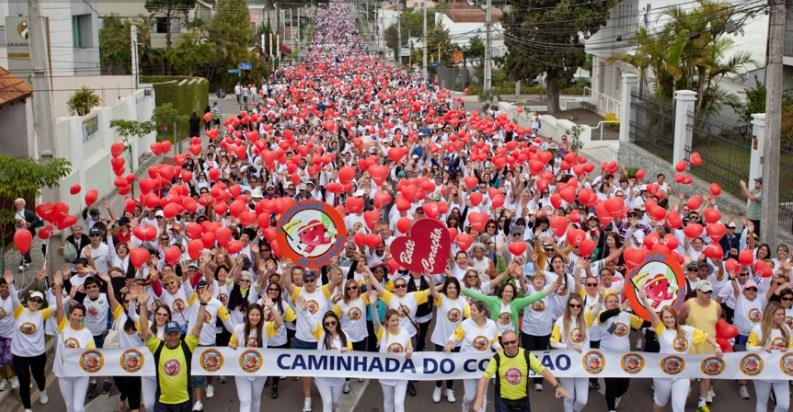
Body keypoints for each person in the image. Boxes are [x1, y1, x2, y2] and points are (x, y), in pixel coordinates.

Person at [639, 290, 722, 412]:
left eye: (671, 316)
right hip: (663, 375)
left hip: (682, 375)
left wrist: (716, 346)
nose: (669, 320)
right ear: (662, 319)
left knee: (678, 407)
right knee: (660, 403)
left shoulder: (688, 330)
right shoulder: (661, 330)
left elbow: (705, 336)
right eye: (666, 317)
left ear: (676, 317)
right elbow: (652, 314)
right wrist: (644, 299)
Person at [138, 279, 211, 412]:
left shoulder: (186, 346)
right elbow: (144, 330)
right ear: (164, 335)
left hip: (185, 401)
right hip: (163, 402)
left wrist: (203, 304)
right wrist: (142, 305)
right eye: (169, 334)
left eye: (175, 334)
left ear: (179, 334)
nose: (172, 337)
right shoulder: (158, 347)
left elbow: (198, 325)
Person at [472, 330, 568, 412]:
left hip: (523, 400)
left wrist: (556, 386)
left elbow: (543, 371)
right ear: (502, 343)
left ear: (517, 340)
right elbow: (485, 378)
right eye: (506, 343)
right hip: (503, 402)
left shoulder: (526, 355)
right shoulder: (497, 358)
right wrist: (479, 398)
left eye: (513, 342)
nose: (510, 345)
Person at [6, 269, 52, 412]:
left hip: (37, 354)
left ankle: (43, 391)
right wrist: (10, 285)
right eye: (33, 299)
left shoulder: (42, 313)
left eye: (38, 301)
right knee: (24, 382)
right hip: (20, 355)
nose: (35, 303)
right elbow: (14, 297)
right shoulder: (19, 310)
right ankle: (27, 408)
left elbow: (58, 306)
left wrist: (69, 295)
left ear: (41, 304)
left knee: (39, 377)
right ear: (28, 300)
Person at [444, 300, 499, 412]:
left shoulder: (492, 324)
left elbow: (494, 342)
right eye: (470, 309)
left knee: (482, 394)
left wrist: (499, 349)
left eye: (473, 310)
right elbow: (454, 337)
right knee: (470, 396)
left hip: (484, 366)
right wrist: (450, 343)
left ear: (482, 312)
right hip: (468, 365)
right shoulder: (465, 324)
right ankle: (465, 406)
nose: (471, 312)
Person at [52, 269, 94, 412]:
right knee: (70, 407)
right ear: (71, 315)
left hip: (80, 374)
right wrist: (58, 288)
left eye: (80, 315)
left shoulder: (87, 333)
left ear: (83, 317)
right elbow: (59, 306)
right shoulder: (63, 326)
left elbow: (91, 353)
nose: (76, 317)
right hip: (63, 374)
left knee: (78, 407)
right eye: (74, 314)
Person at [228, 301, 281, 412]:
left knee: (256, 399)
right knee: (245, 401)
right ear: (247, 315)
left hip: (260, 370)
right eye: (252, 314)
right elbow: (231, 344)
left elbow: (278, 323)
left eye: (257, 315)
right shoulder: (238, 328)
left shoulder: (265, 327)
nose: (255, 317)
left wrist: (271, 307)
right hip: (242, 371)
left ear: (261, 316)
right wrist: (231, 346)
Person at [678, 280, 721, 407]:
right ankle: (685, 392)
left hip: (709, 345)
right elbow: (680, 321)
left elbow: (716, 321)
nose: (708, 294)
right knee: (688, 374)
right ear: (697, 291)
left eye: (710, 292)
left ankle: (702, 402)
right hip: (691, 345)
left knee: (705, 374)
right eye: (705, 292)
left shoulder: (716, 306)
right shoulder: (688, 305)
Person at [369, 294, 412, 412]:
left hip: (401, 373)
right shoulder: (381, 332)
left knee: (398, 404)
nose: (395, 323)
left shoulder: (405, 332)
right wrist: (372, 305)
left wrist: (409, 351)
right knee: (388, 400)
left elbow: (409, 348)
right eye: (392, 320)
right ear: (387, 322)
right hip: (385, 374)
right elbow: (375, 320)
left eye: (397, 320)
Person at [550, 295, 593, 412]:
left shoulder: (586, 319)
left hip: (583, 363)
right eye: (572, 305)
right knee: (569, 397)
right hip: (566, 363)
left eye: (578, 305)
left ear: (581, 307)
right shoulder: (560, 321)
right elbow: (553, 342)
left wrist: (601, 296)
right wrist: (567, 346)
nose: (575, 308)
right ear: (568, 306)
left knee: (582, 400)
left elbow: (598, 309)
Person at [747, 301, 791, 412]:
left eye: (783, 314)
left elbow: (791, 347)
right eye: (779, 314)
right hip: (763, 371)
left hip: (781, 372)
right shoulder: (758, 329)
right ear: (770, 314)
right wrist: (762, 349)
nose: (782, 317)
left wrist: (788, 350)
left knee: (783, 405)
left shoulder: (786, 328)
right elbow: (749, 347)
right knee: (762, 403)